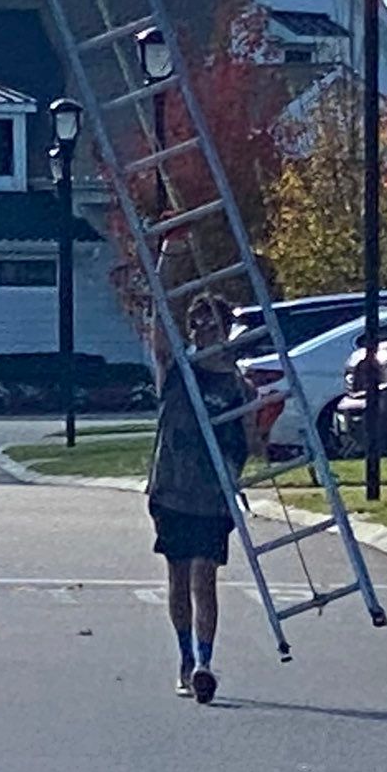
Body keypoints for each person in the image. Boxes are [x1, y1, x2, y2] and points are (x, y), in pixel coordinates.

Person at [146, 294, 247, 702]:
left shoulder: (238, 384)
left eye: (212, 326)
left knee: (204, 579)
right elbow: (158, 338)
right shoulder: (177, 370)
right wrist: (169, 258)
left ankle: (205, 662)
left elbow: (250, 441)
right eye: (197, 326)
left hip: (212, 496)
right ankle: (185, 659)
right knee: (179, 577)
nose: (204, 333)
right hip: (172, 487)